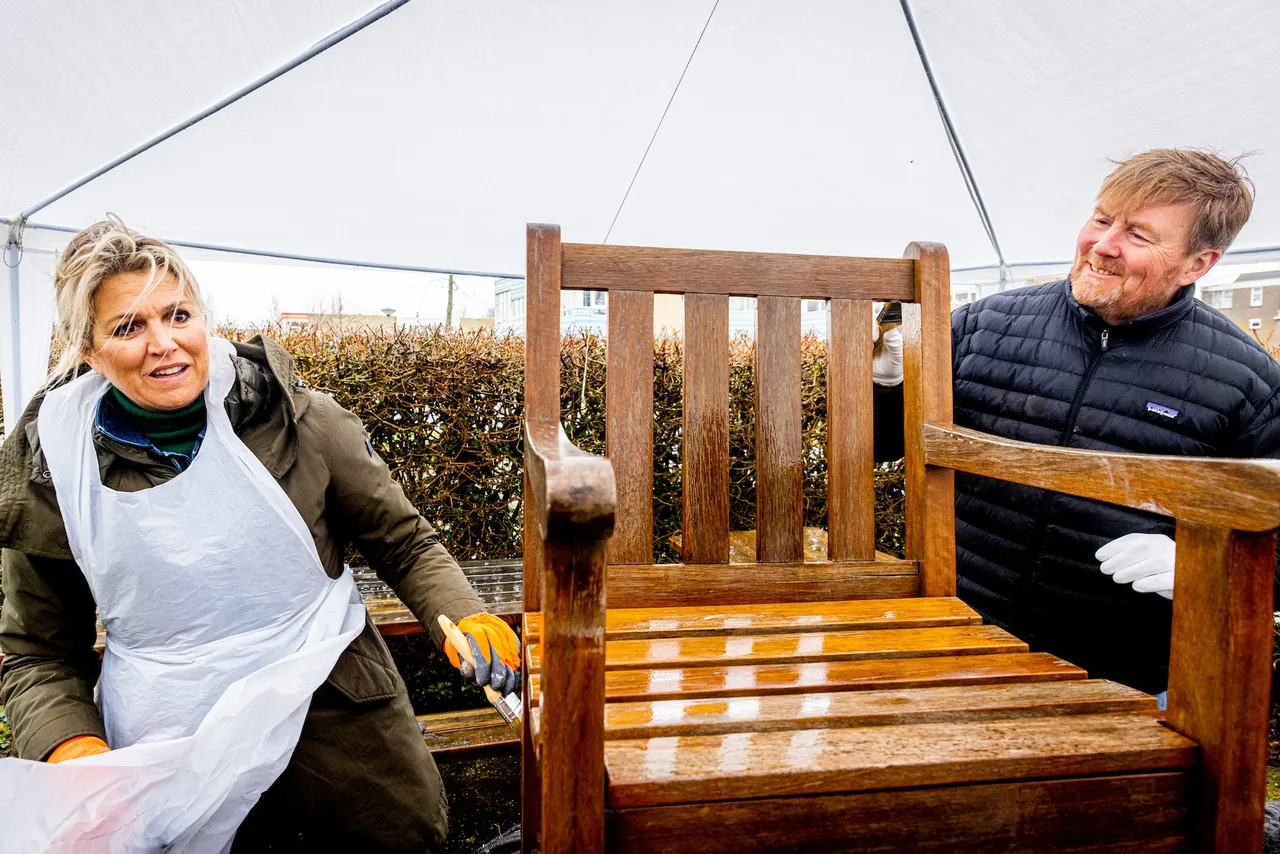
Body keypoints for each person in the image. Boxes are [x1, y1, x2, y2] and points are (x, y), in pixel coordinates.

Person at [0, 217, 521, 852]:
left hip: (334, 718)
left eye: (178, 314)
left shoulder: (300, 420)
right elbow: (37, 651)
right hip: (173, 748)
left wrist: (465, 615)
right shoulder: (54, 471)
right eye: (128, 327)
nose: (164, 342)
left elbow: (403, 542)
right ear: (87, 350)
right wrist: (75, 753)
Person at [872, 148, 1280, 697]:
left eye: (1139, 234)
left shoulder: (1248, 382)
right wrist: (885, 387)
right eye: (1102, 218)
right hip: (954, 642)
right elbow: (881, 447)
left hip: (1118, 680)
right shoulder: (982, 325)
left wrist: (1210, 568)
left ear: (1197, 264)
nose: (1103, 245)